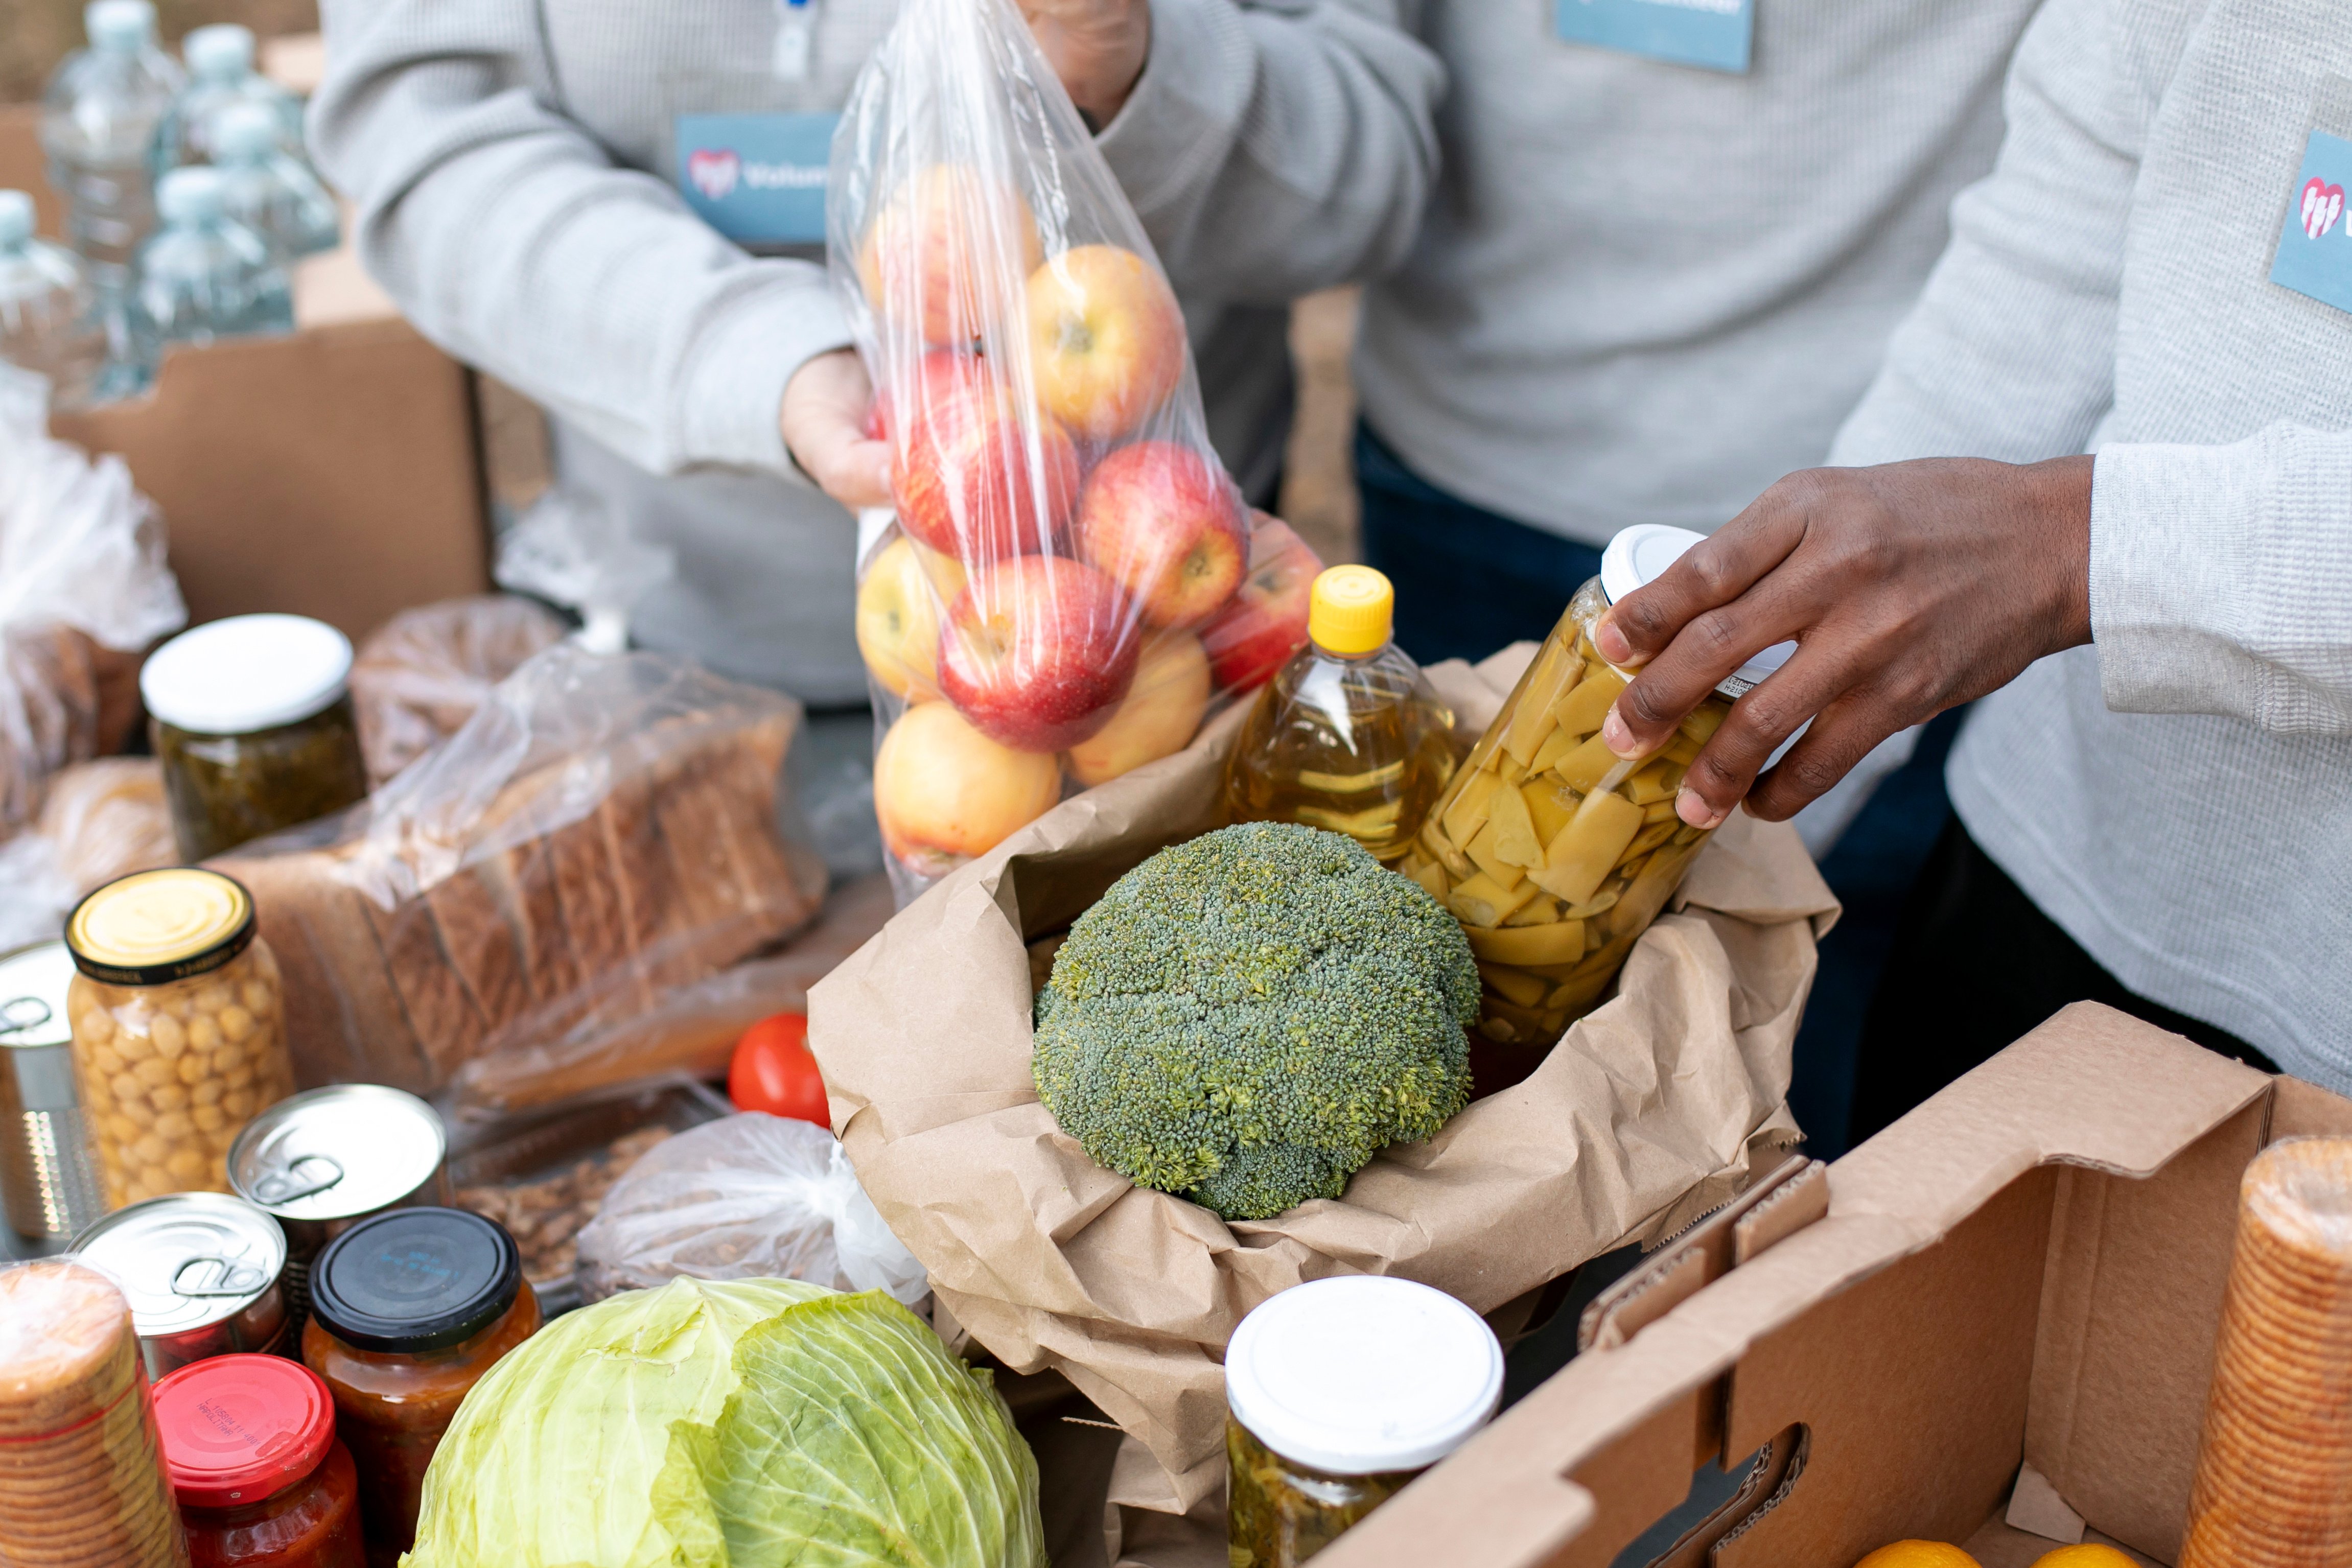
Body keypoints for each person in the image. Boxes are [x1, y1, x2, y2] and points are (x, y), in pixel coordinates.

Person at [1586, 0, 2352, 1122]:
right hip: (2039, 865)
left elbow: (2049, 540)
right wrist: (1690, 836)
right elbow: (2041, 275)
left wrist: (2079, 545)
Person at [307, 1, 1441, 703]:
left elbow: (1373, 168)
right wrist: (760, 360)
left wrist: (1142, 77)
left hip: (1142, 651)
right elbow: (424, 143)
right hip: (671, 628)